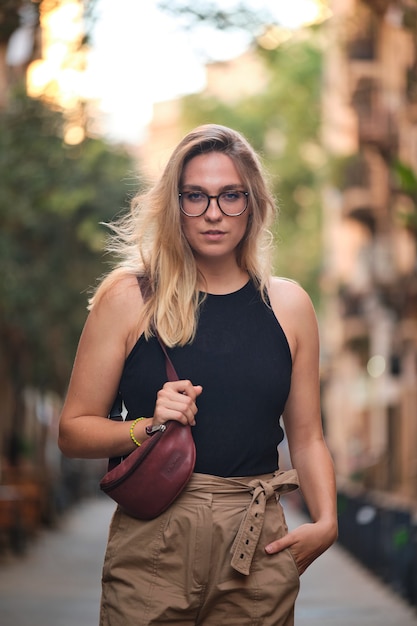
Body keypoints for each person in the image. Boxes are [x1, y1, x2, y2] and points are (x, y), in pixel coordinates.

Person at [58, 124, 337, 626]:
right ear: (175, 203)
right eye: (196, 197)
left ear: (252, 203)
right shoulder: (129, 298)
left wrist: (328, 523)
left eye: (231, 196)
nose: (213, 213)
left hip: (257, 536)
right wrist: (145, 426)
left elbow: (308, 435)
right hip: (155, 535)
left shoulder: (289, 306)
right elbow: (73, 430)